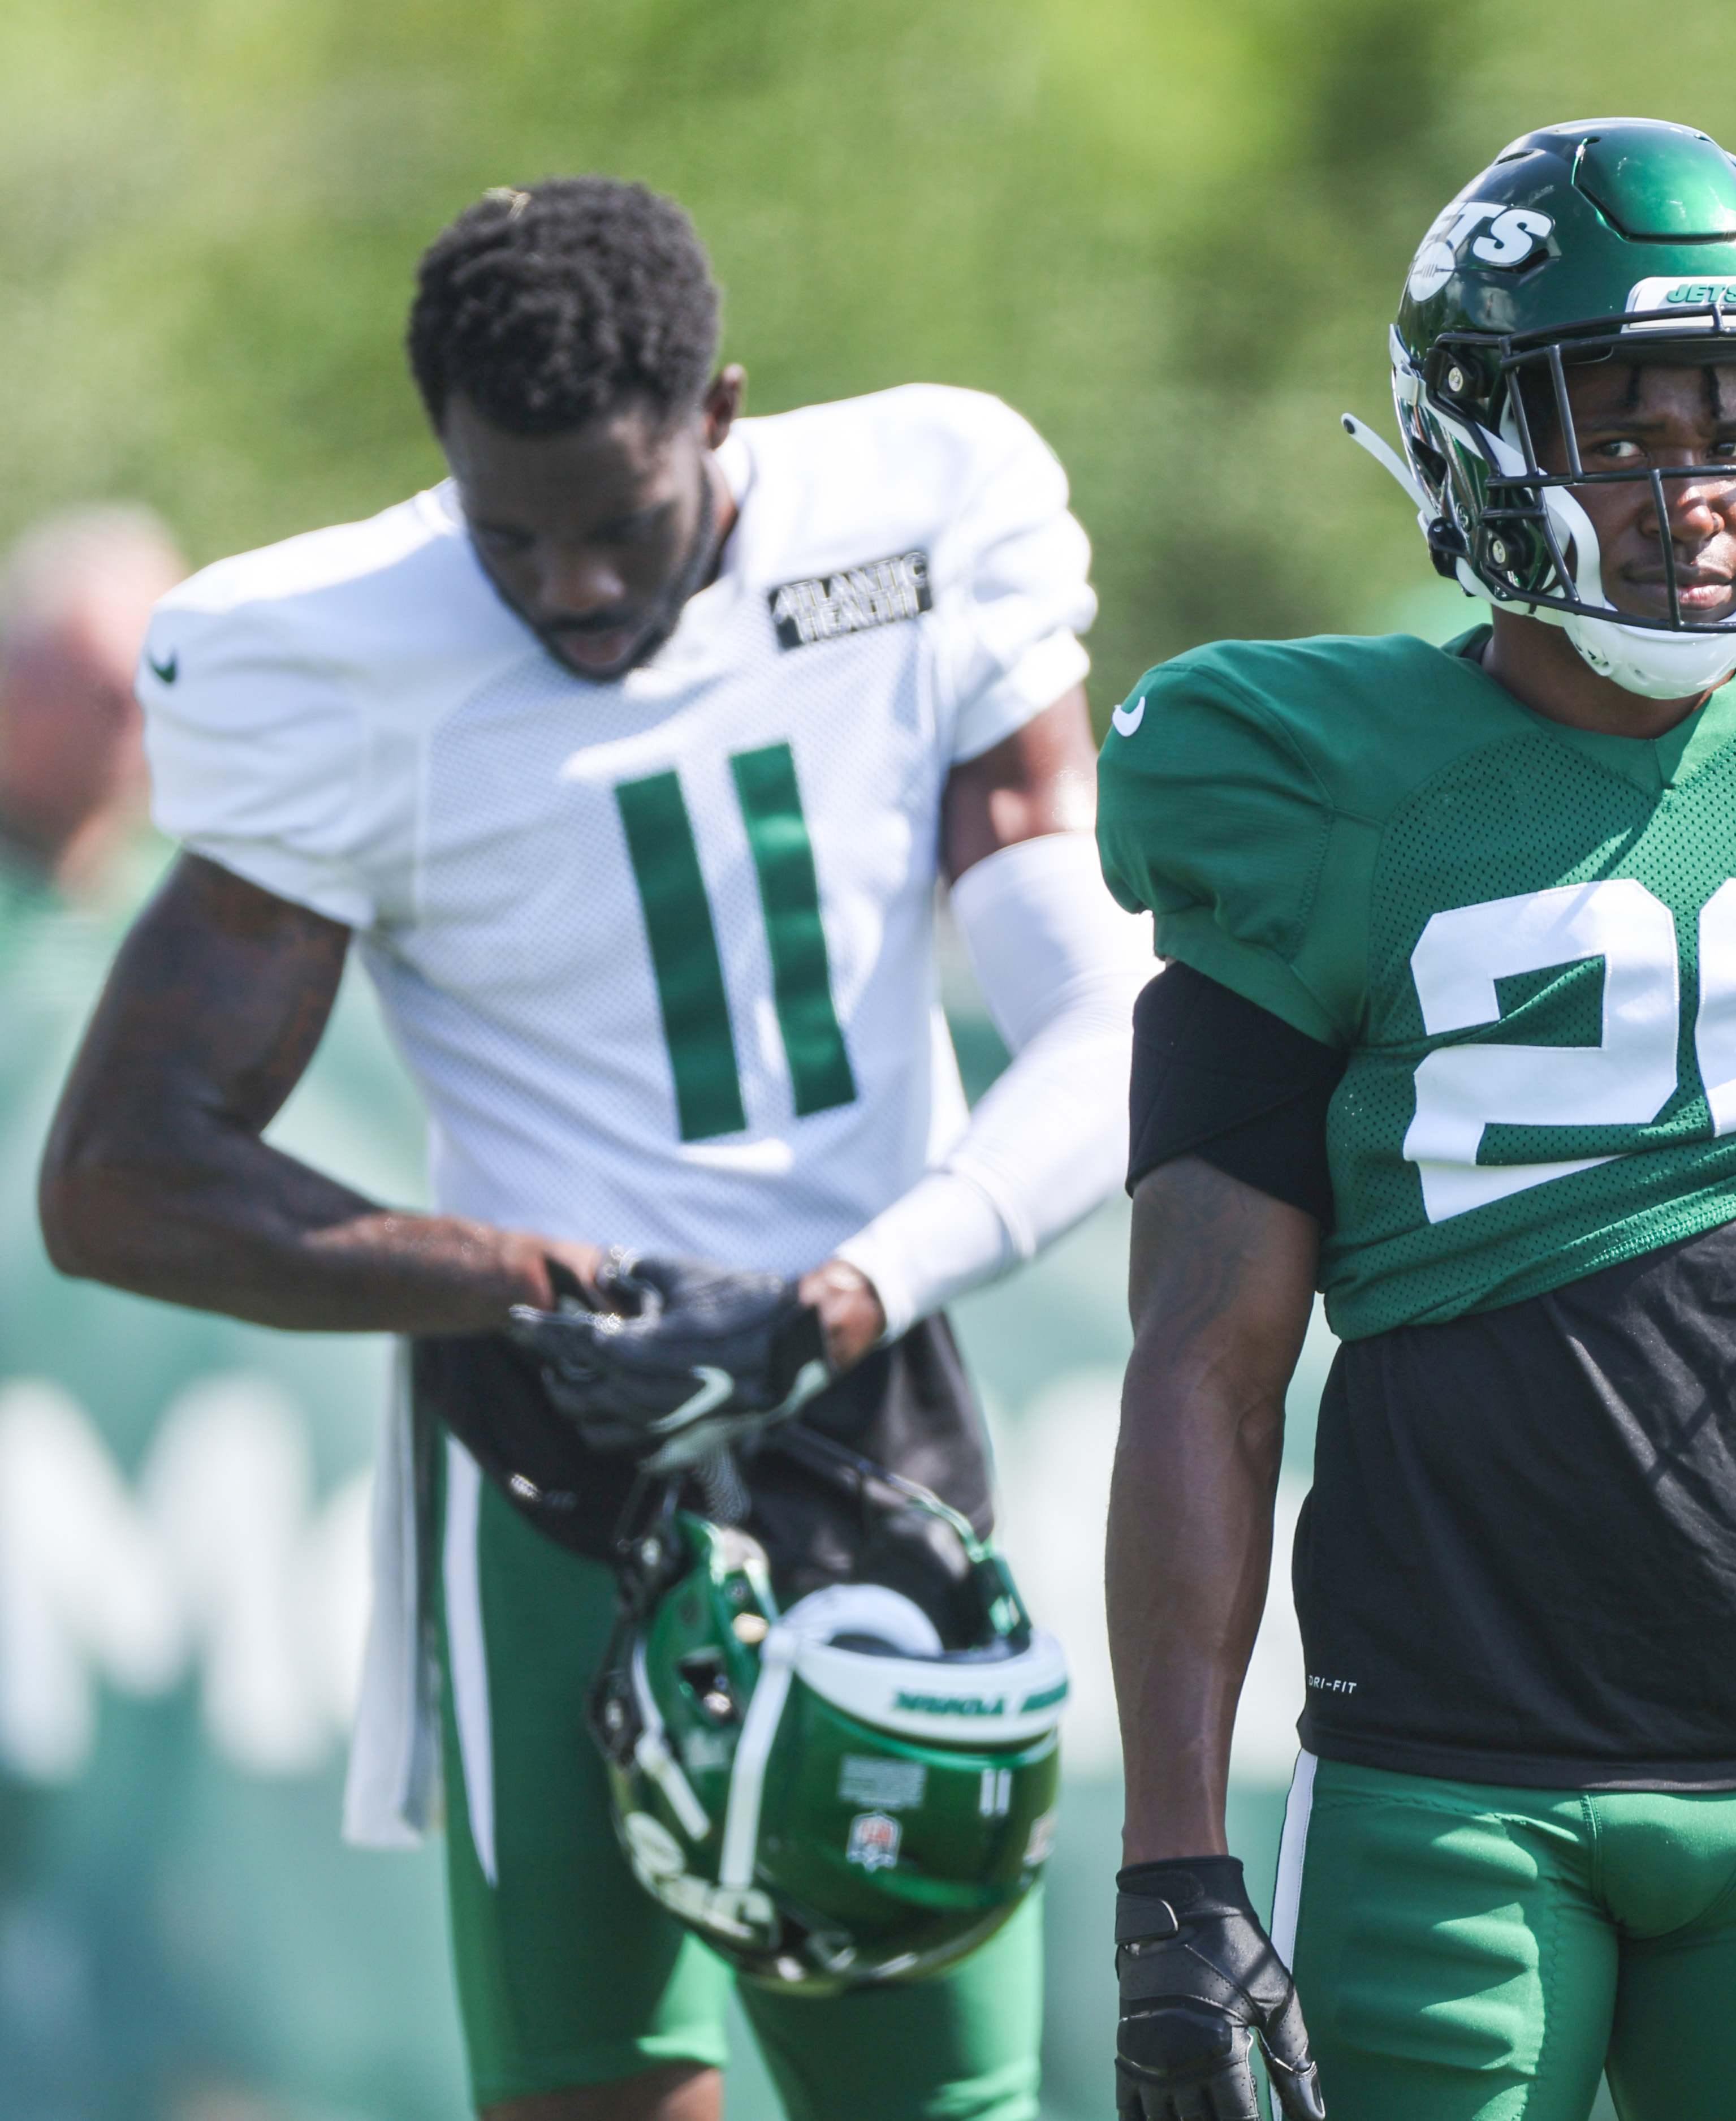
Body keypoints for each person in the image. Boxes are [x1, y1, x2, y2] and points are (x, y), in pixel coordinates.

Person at [37, 178, 1148, 2121]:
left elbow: (1110, 1020)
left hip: (862, 1420)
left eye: (616, 525)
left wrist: (843, 1294)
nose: (564, 586)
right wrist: (529, 1281)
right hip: (559, 1448)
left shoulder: (919, 515)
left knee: (945, 2101)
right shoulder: (339, 657)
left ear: (720, 411)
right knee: (588, 2096)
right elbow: (124, 1176)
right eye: (507, 536)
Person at [1096, 119, 1736, 2121]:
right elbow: (1201, 1366)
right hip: (1445, 1781)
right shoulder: (1307, 776)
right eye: (1624, 430)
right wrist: (1170, 1866)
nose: (1697, 497)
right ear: (1478, 439)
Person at [0, 505, 185, 904]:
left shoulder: (203, 898)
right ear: (22, 688)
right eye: (108, 695)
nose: (136, 721)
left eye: (158, 691)